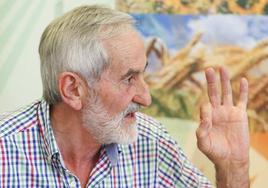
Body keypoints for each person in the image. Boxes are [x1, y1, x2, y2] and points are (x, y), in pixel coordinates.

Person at [0, 5, 249, 188]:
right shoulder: (5, 152)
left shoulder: (152, 141)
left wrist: (233, 167)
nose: (146, 98)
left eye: (143, 74)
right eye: (129, 78)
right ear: (74, 89)